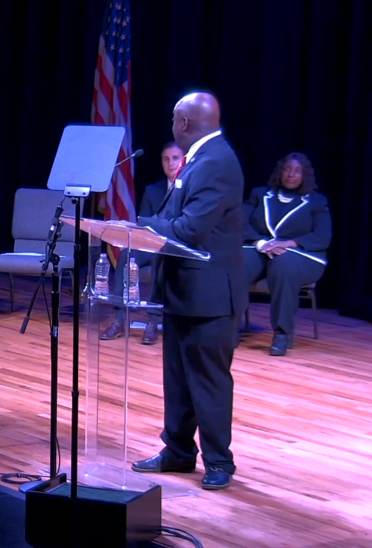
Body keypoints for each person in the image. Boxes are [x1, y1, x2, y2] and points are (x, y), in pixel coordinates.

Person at [131, 92, 246, 491]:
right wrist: (150, 225)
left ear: (183, 123)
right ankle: (178, 451)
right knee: (178, 380)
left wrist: (138, 228)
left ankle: (219, 461)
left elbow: (189, 230)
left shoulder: (216, 162)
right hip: (184, 290)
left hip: (210, 295)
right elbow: (173, 217)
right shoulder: (200, 158)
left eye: (174, 120)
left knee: (209, 381)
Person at [242, 152, 331, 356]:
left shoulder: (316, 202)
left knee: (283, 263)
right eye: (287, 169)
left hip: (301, 255)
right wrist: (261, 242)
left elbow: (322, 237)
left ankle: (282, 333)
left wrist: (288, 243)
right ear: (280, 172)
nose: (291, 174)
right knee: (239, 260)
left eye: (297, 171)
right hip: (262, 249)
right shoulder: (259, 195)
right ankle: (227, 327)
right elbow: (240, 223)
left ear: (304, 175)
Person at [100, 141, 185, 345]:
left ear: (184, 160)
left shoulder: (192, 189)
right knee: (128, 254)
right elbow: (145, 224)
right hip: (151, 242)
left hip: (177, 246)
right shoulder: (153, 190)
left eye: (175, 158)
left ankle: (153, 322)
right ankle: (120, 319)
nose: (170, 163)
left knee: (161, 260)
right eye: (166, 159)